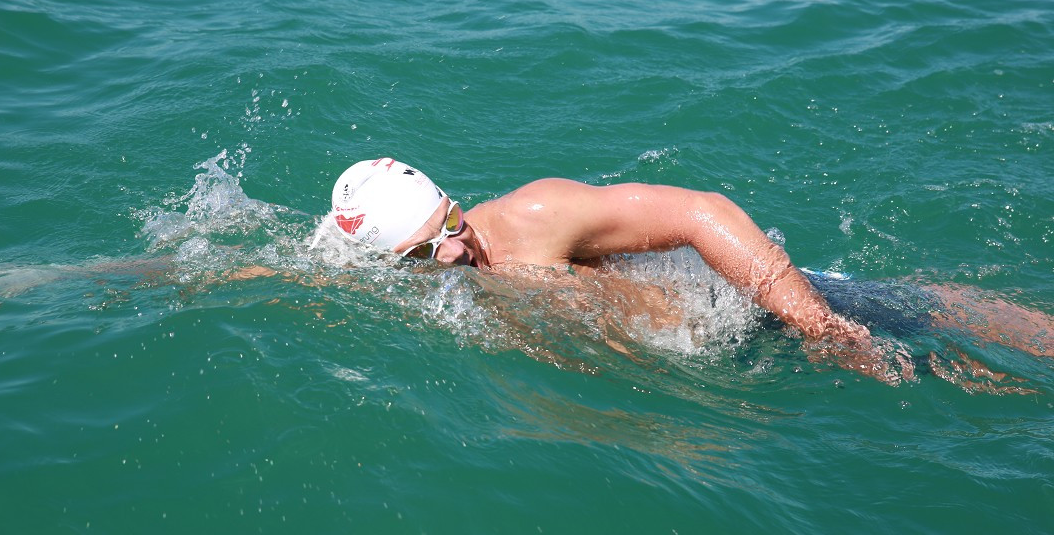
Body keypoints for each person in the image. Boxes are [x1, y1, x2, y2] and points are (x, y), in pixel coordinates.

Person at [309, 157, 917, 383]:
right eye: (423, 253)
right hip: (732, 363)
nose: (452, 252)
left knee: (971, 331)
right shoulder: (420, 286)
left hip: (770, 308)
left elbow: (702, 213)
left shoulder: (538, 217)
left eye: (452, 223)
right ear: (395, 265)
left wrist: (819, 324)